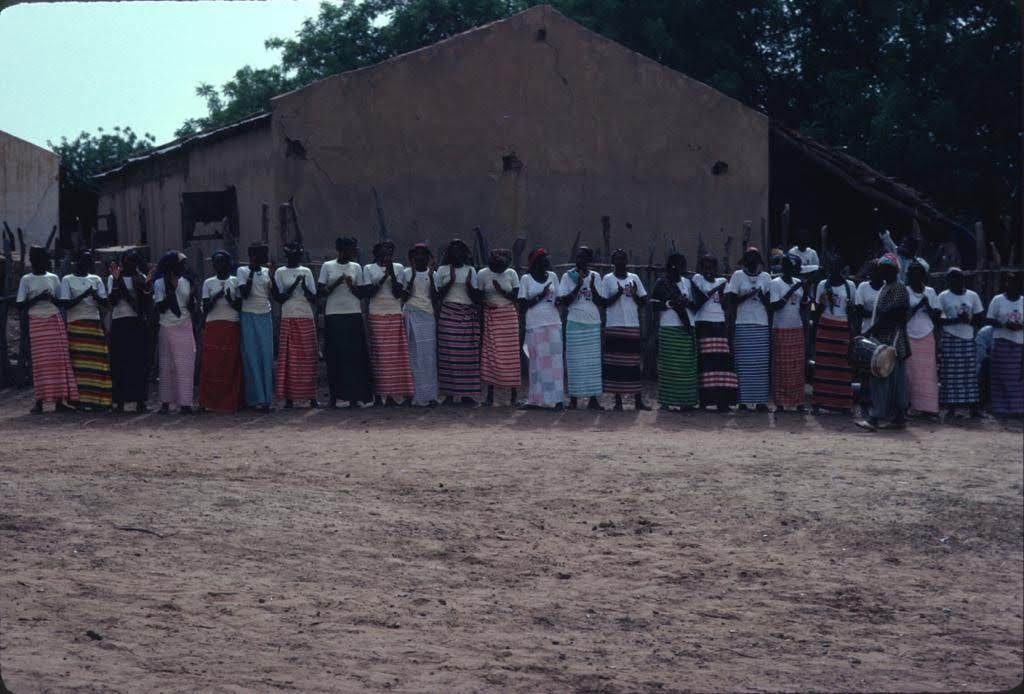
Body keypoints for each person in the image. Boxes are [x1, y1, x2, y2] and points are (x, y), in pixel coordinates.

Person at [16, 246, 78, 413]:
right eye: (43, 257)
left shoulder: (54, 278)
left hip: (53, 319)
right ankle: (39, 402)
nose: (46, 261)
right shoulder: (26, 279)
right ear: (35, 260)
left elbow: (60, 301)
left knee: (58, 362)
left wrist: (51, 299)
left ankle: (59, 401)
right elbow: (20, 305)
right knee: (40, 363)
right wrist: (38, 298)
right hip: (37, 322)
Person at [318, 236, 373, 408]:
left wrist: (351, 286)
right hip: (334, 315)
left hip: (353, 314)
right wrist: (336, 284)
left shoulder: (356, 267)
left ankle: (354, 397)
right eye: (350, 249)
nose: (353, 252)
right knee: (335, 356)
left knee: (355, 357)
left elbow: (362, 294)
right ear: (341, 249)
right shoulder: (327, 266)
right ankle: (335, 396)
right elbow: (321, 292)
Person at [858, 253, 910, 430]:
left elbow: (894, 314)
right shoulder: (888, 287)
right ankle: (897, 417)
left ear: (892, 270)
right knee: (892, 380)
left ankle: (876, 417)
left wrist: (871, 331)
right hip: (885, 339)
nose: (880, 272)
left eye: (883, 269)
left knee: (883, 379)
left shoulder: (898, 288)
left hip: (892, 340)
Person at [598, 249, 650, 411]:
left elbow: (643, 301)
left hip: (632, 325)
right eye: (617, 259)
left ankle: (637, 401)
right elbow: (604, 302)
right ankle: (618, 402)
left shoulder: (634, 278)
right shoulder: (607, 279)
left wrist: (634, 294)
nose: (621, 261)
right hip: (614, 325)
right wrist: (618, 293)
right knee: (615, 364)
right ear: (613, 261)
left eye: (623, 258)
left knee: (634, 364)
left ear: (627, 261)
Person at [60, 249, 112, 411]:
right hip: (76, 325)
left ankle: (97, 400)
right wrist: (84, 294)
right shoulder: (67, 280)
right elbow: (66, 304)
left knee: (96, 364)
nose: (86, 264)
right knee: (78, 364)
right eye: (84, 260)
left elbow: (104, 303)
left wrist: (94, 295)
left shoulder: (95, 279)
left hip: (94, 324)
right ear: (77, 261)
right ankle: (78, 400)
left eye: (89, 261)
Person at [364, 240, 413, 406]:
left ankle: (392, 395)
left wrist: (391, 273)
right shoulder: (368, 269)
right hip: (377, 313)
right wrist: (384, 276)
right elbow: (370, 292)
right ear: (376, 253)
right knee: (380, 356)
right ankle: (379, 395)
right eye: (384, 251)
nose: (387, 254)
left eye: (390, 251)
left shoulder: (398, 268)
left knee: (395, 357)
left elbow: (398, 293)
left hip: (394, 312)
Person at [434, 239, 482, 405]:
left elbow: (476, 297)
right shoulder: (442, 270)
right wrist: (451, 281)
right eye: (453, 251)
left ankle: (466, 393)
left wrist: (468, 285)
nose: (457, 254)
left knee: (467, 356)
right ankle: (449, 394)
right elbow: (437, 295)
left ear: (465, 253)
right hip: (448, 314)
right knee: (448, 356)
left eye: (460, 251)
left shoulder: (471, 270)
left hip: (467, 314)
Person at [273, 242, 320, 409]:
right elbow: (280, 297)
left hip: (306, 315)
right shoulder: (280, 272)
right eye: (293, 254)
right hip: (288, 316)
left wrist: (305, 286)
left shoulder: (306, 271)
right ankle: (289, 398)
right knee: (289, 359)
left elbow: (313, 297)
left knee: (309, 357)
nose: (296, 257)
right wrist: (295, 285)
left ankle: (312, 397)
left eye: (298, 254)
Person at [726, 247, 772, 411]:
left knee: (760, 366)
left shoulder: (766, 278)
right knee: (743, 365)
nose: (752, 265)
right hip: (743, 323)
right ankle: (743, 401)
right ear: (745, 263)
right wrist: (747, 296)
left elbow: (770, 305)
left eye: (755, 261)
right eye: (749, 261)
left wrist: (760, 296)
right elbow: (731, 301)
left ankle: (760, 401)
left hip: (761, 324)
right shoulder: (738, 276)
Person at [690, 254, 738, 412]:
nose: (708, 268)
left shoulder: (722, 281)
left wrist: (723, 294)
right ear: (701, 267)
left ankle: (721, 400)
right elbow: (700, 299)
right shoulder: (697, 279)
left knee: (721, 363)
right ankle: (705, 400)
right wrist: (717, 289)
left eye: (711, 265)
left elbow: (724, 304)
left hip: (719, 323)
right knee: (706, 362)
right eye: (705, 265)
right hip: (704, 323)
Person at [650, 253, 697, 411]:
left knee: (686, 367)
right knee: (669, 366)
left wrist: (686, 302)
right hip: (669, 328)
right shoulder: (662, 283)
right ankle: (666, 401)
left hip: (686, 327)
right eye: (680, 264)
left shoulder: (688, 283)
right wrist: (670, 303)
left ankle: (686, 401)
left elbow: (696, 304)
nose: (683, 267)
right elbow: (654, 305)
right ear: (672, 266)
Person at [558, 246, 604, 410]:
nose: (580, 260)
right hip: (574, 322)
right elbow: (565, 301)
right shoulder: (567, 276)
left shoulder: (596, 276)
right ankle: (574, 400)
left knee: (593, 364)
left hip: (592, 322)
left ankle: (593, 399)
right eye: (578, 257)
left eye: (584, 257)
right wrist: (578, 285)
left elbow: (601, 302)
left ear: (589, 260)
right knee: (574, 362)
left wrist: (592, 288)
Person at [518, 247, 564, 409]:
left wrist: (559, 301)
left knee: (555, 363)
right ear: (536, 262)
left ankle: (557, 400)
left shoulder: (552, 276)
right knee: (537, 363)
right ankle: (536, 400)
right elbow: (523, 304)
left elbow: (558, 297)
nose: (548, 261)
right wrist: (541, 295)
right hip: (535, 325)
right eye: (544, 258)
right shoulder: (526, 279)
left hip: (553, 323)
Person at [199, 250, 244, 413]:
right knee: (212, 364)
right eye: (215, 262)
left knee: (230, 363)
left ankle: (231, 401)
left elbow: (240, 306)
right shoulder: (208, 283)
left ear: (228, 263)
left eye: (221, 262)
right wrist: (216, 297)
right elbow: (205, 308)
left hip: (231, 324)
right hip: (213, 325)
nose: (218, 265)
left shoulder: (236, 281)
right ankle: (209, 401)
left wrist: (231, 300)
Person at [152, 251, 195, 414]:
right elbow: (160, 307)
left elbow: (191, 306)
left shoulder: (187, 282)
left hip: (184, 324)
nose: (184, 267)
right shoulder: (159, 284)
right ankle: (165, 402)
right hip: (167, 325)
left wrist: (192, 297)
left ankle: (185, 403)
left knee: (185, 366)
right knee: (167, 365)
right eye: (181, 263)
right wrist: (172, 289)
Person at [107, 250, 150, 412]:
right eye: (127, 261)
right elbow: (112, 301)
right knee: (119, 363)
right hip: (120, 322)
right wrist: (118, 282)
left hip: (136, 322)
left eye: (133, 261)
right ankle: (120, 401)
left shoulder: (141, 278)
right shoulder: (114, 278)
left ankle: (140, 401)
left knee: (138, 363)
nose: (129, 264)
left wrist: (146, 286)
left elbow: (145, 303)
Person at [937, 267, 984, 418]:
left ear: (962, 279)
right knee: (950, 376)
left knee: (969, 375)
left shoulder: (973, 295)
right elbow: (938, 319)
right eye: (949, 279)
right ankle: (951, 409)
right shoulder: (943, 296)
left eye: (956, 278)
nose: (952, 282)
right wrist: (957, 319)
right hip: (950, 338)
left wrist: (968, 319)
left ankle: (973, 408)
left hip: (968, 338)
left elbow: (979, 318)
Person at [812, 256, 856, 413]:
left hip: (843, 327)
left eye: (837, 265)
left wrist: (852, 334)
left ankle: (843, 405)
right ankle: (819, 402)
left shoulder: (850, 286)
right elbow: (817, 311)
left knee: (843, 367)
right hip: (826, 327)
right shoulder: (822, 285)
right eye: (832, 265)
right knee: (823, 366)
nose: (834, 269)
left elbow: (852, 312)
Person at [477, 248, 521, 406]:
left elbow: (516, 297)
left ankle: (514, 395)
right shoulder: (482, 274)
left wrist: (501, 291)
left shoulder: (511, 274)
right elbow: (478, 295)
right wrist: (485, 302)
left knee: (511, 357)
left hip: (508, 317)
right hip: (491, 315)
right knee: (491, 356)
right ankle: (490, 396)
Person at [768, 253, 808, 412]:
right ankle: (780, 403)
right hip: (781, 328)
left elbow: (803, 305)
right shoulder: (775, 283)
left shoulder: (799, 282)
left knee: (797, 367)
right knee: (781, 367)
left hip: (796, 327)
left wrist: (805, 291)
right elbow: (775, 306)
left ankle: (798, 402)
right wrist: (793, 289)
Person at [401, 243, 439, 406]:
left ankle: (429, 395)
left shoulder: (434, 274)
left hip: (427, 315)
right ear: (412, 257)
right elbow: (403, 295)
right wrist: (413, 275)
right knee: (411, 355)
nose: (420, 257)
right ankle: (411, 395)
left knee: (428, 356)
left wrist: (430, 276)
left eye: (423, 254)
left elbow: (436, 297)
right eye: (416, 254)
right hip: (410, 312)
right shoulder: (406, 272)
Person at [904, 260, 941, 417]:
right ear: (909, 276)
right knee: (910, 372)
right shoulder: (905, 291)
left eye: (919, 274)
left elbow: (937, 316)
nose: (916, 277)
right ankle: (912, 406)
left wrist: (928, 307)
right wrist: (919, 305)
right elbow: (903, 316)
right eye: (913, 274)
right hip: (909, 334)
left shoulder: (930, 292)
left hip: (927, 334)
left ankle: (929, 408)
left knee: (928, 372)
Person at [986, 272, 1023, 417]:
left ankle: (1017, 409)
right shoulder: (997, 300)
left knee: (1017, 378)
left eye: (1014, 282)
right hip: (1002, 342)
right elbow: (989, 320)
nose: (1011, 285)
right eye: (1008, 282)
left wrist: (1020, 326)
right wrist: (1004, 324)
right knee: (1000, 376)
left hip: (1019, 343)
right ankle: (1001, 409)